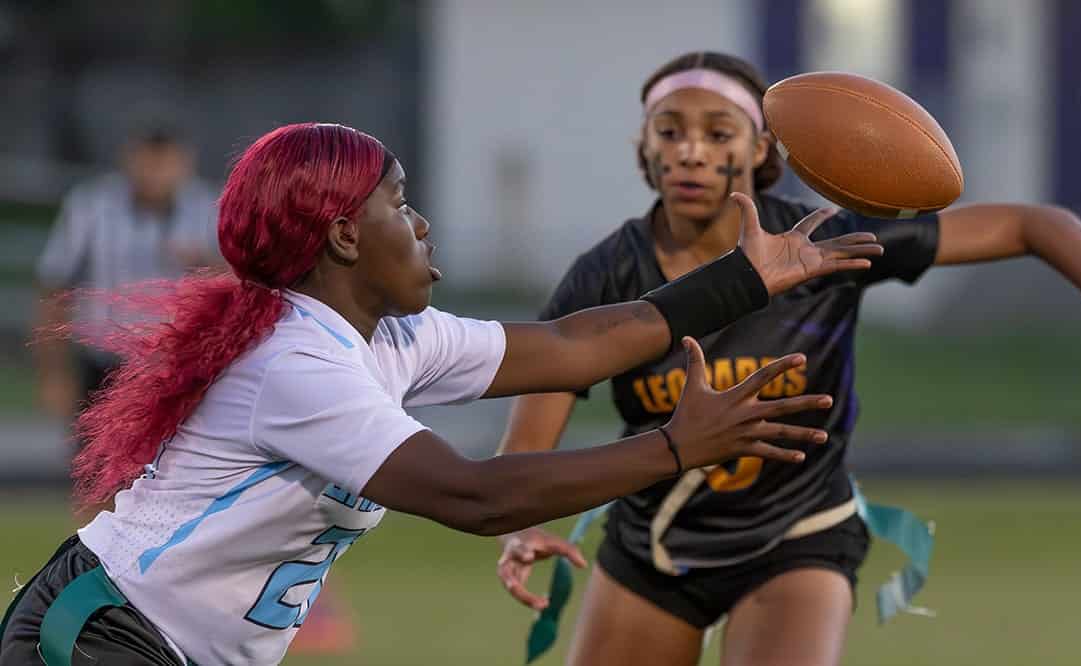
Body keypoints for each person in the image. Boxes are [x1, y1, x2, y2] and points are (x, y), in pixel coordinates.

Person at [0, 122, 883, 666]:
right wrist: (672, 448)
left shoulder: (391, 335)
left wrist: (744, 280)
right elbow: (474, 496)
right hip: (101, 639)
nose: (420, 222)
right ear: (344, 235)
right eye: (399, 201)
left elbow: (576, 348)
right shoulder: (294, 363)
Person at [492, 52, 1081, 666]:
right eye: (670, 130)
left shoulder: (827, 243)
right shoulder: (605, 276)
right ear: (644, 149)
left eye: (719, 131)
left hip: (797, 533)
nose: (691, 149)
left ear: (762, 152)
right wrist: (522, 525)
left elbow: (1034, 224)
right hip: (653, 545)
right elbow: (530, 435)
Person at [32, 122, 220, 427]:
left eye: (166, 163)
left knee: (172, 467)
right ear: (128, 160)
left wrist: (205, 263)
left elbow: (240, 285)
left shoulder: (208, 208)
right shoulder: (92, 206)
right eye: (148, 161)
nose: (156, 173)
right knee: (99, 467)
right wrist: (54, 372)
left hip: (178, 365)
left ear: (186, 164)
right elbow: (54, 288)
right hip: (103, 364)